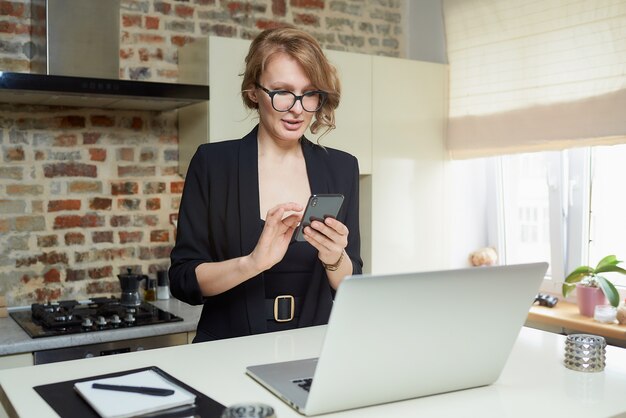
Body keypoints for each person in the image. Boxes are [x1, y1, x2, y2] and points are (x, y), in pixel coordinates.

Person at [169, 25, 362, 342]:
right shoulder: (213, 164)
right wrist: (252, 263)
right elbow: (183, 280)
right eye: (283, 92)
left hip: (315, 348)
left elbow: (352, 281)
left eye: (309, 93)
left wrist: (335, 259)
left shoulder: (341, 167)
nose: (298, 109)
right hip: (226, 350)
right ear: (253, 92)